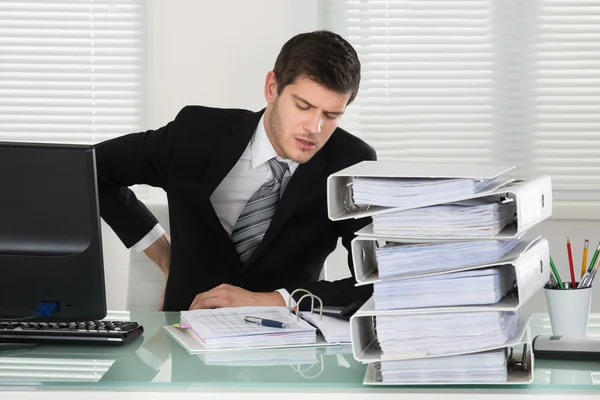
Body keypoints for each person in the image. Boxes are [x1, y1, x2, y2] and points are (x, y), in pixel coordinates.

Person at [96, 30, 376, 311]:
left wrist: (273, 300)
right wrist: (161, 252)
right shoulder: (196, 133)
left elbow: (380, 280)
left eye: (331, 116)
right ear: (271, 88)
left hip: (285, 343)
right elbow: (93, 169)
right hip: (184, 334)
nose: (314, 128)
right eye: (303, 106)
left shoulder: (351, 163)